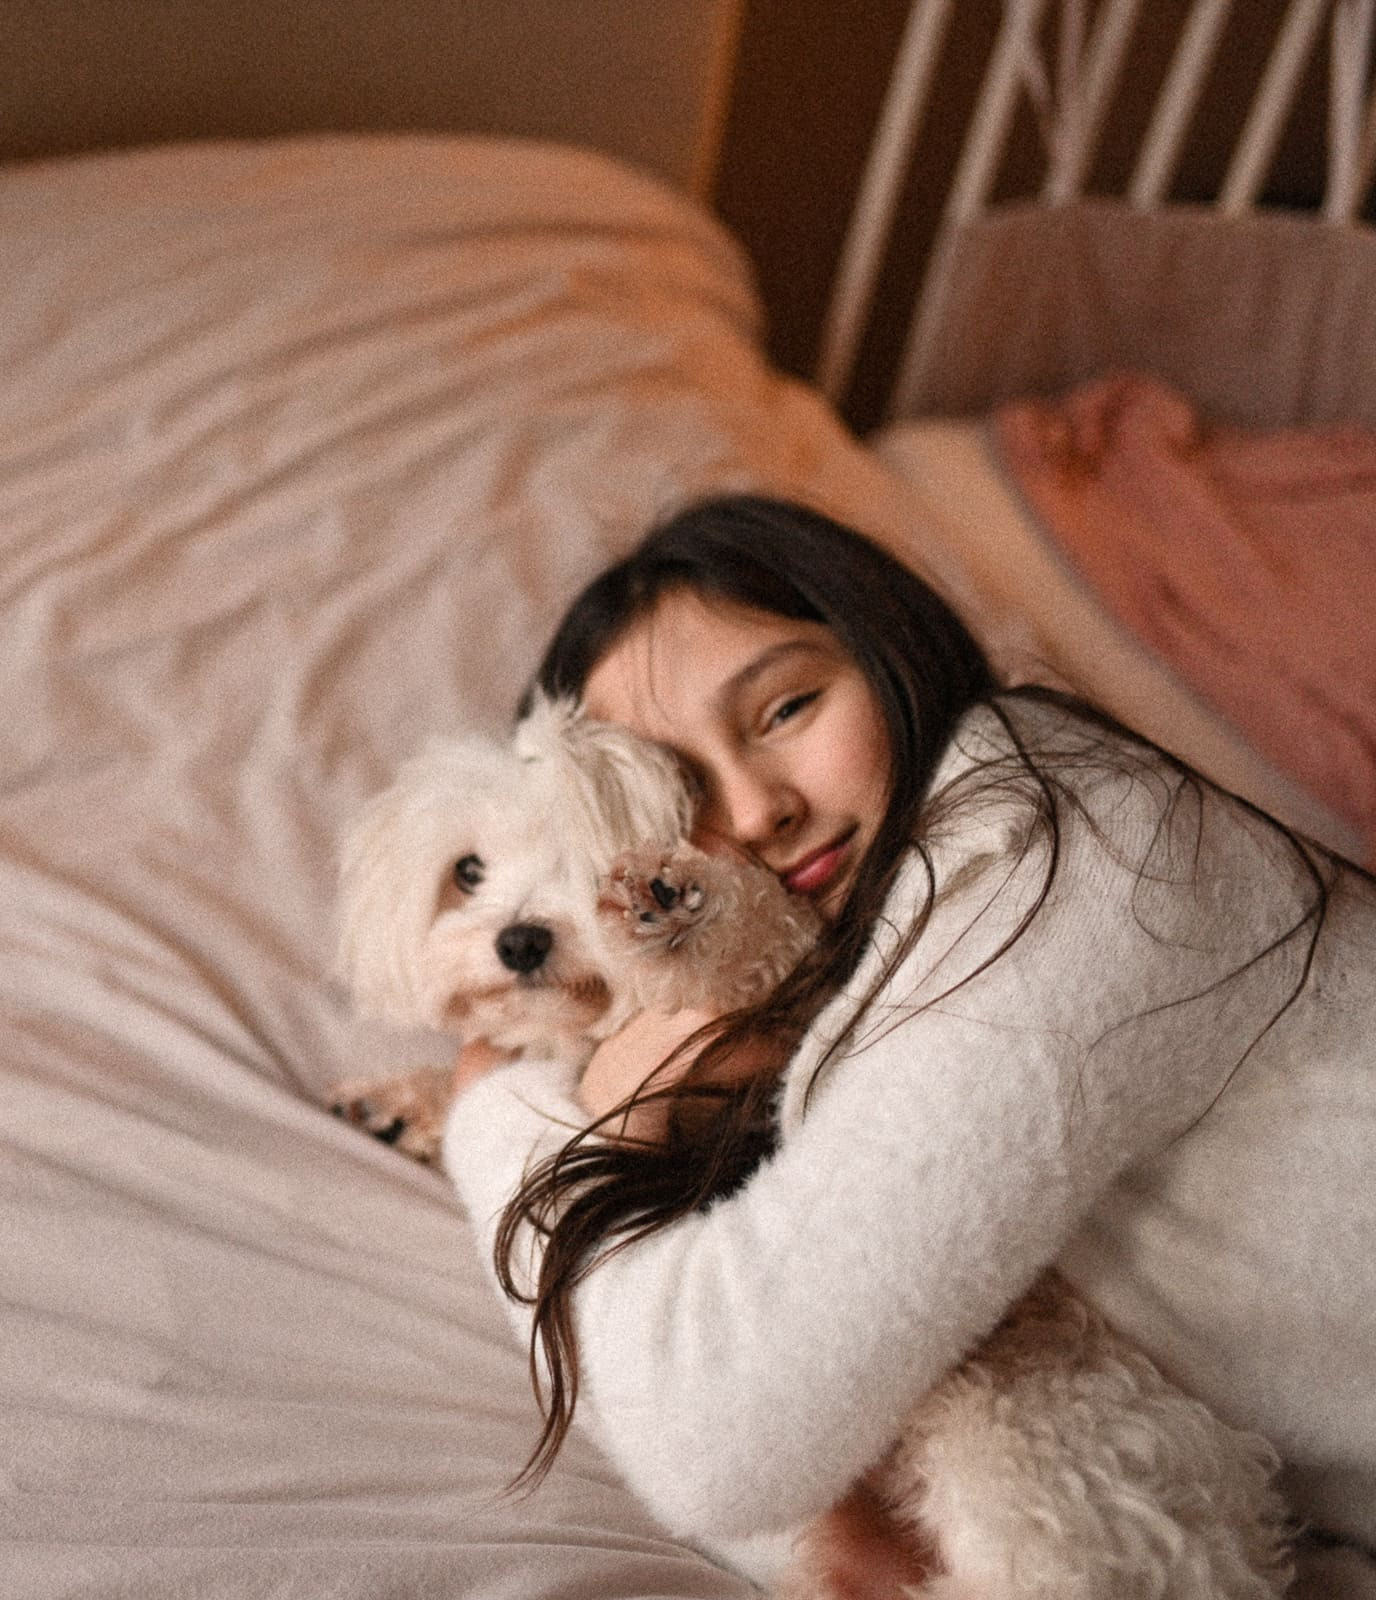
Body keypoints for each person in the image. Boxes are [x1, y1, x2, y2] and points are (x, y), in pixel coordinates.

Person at [438, 495, 1376, 1581]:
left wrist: (494, 1116)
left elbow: (714, 1439)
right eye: (676, 787)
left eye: (787, 708)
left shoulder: (1077, 863)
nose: (753, 810)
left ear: (888, 651)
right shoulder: (867, 955)